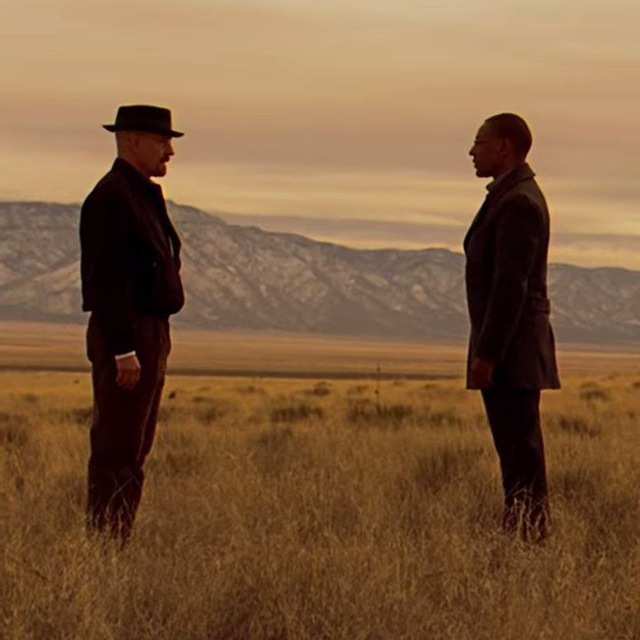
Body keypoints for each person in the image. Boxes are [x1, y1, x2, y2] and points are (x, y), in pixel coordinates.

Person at [80, 104, 185, 543]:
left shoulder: (140, 195)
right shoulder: (111, 198)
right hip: (128, 335)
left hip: (150, 332)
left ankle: (116, 538)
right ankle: (105, 543)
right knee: (117, 446)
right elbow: (106, 280)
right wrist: (124, 349)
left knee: (135, 447)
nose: (169, 152)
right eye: (162, 141)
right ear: (132, 140)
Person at [465, 113, 560, 542]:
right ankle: (523, 532)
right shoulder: (510, 195)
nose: (472, 151)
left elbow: (511, 288)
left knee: (520, 453)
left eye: (479, 142)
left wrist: (488, 355)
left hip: (511, 353)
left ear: (503, 147)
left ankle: (529, 536)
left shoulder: (518, 202)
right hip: (511, 350)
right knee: (517, 451)